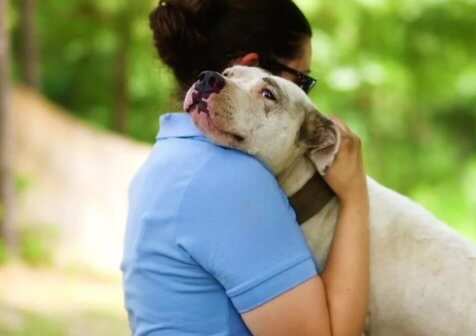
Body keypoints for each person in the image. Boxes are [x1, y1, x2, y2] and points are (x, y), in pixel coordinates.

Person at [121, 0, 370, 335]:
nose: (305, 92)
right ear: (250, 67)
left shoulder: (165, 159)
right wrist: (355, 196)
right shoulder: (230, 176)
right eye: (303, 79)